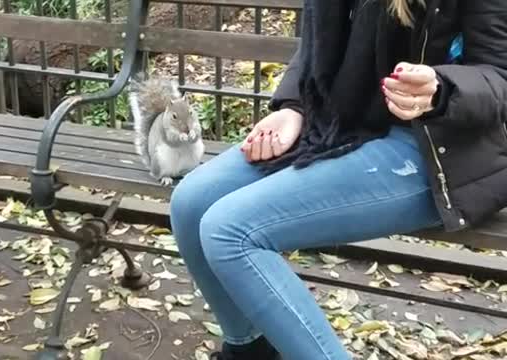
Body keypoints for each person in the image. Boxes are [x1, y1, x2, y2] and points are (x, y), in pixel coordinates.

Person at [169, 1, 507, 359]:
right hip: (337, 125)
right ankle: (250, 350)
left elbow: (499, 75)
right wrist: (293, 107)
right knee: (192, 202)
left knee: (229, 232)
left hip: (434, 148)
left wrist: (441, 89)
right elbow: (317, 45)